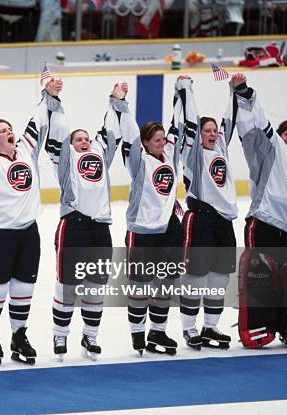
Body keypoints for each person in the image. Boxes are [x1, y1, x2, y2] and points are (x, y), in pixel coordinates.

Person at [0, 77, 66, 365]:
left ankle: (19, 335)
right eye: (2, 131)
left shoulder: (28, 151)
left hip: (28, 231)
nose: (9, 133)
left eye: (10, 129)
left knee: (24, 286)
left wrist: (49, 94)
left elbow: (38, 121)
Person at [231, 73, 287, 349]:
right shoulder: (270, 151)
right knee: (262, 278)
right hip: (265, 222)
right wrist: (244, 92)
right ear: (279, 135)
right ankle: (258, 327)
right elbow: (259, 122)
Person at [48, 82, 126, 361]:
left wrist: (115, 100)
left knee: (96, 285)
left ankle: (90, 337)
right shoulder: (66, 159)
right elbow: (55, 134)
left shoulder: (101, 155)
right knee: (68, 284)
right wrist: (54, 99)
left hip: (99, 228)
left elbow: (111, 131)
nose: (84, 141)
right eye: (78, 139)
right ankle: (60, 334)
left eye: (86, 138)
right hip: (73, 225)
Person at [118, 79, 184, 356]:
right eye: (156, 140)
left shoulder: (168, 154)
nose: (162, 143)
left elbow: (178, 126)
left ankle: (158, 331)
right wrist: (120, 102)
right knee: (141, 283)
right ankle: (137, 333)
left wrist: (183, 93)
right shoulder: (138, 160)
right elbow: (129, 132)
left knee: (166, 281)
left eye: (163, 140)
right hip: (143, 230)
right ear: (145, 143)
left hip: (169, 227)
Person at [176, 75, 237, 350]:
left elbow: (230, 119)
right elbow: (191, 118)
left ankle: (211, 326)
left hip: (224, 221)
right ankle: (189, 328)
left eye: (214, 130)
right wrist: (185, 88)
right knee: (196, 277)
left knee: (220, 277)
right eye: (207, 130)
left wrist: (234, 90)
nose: (212, 133)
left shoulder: (221, 148)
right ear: (197, 134)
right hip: (200, 219)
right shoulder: (192, 154)